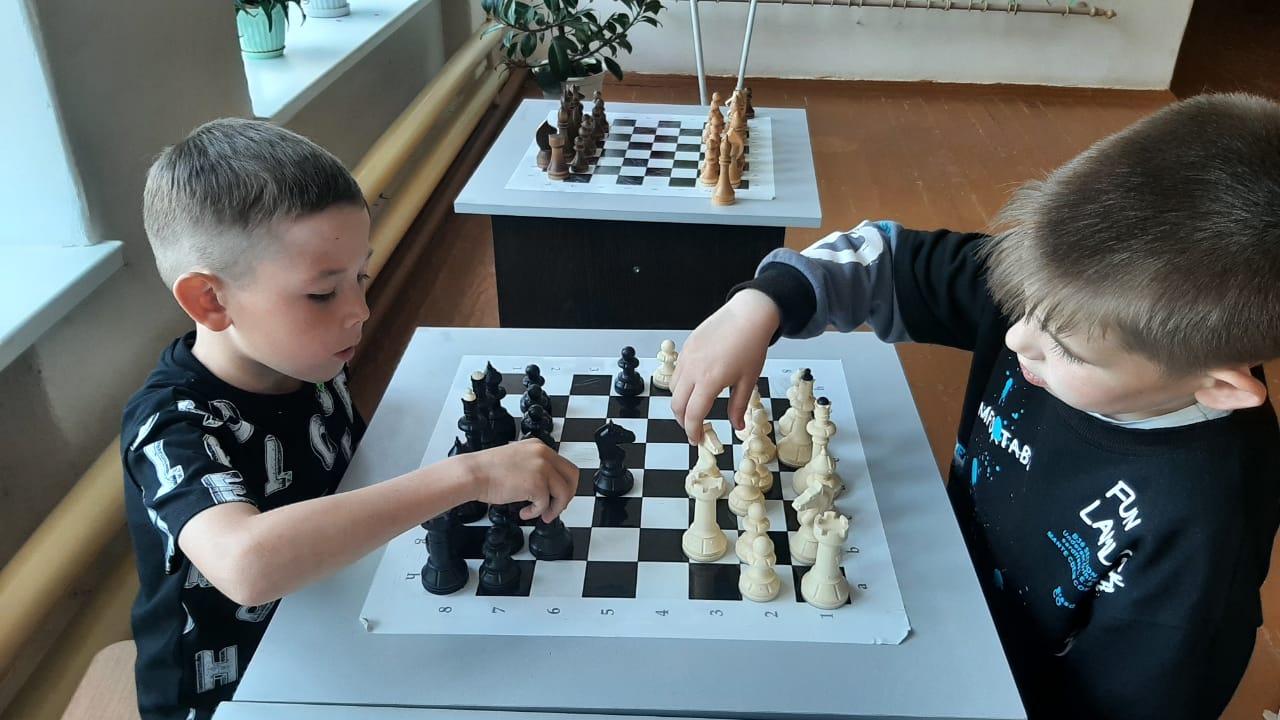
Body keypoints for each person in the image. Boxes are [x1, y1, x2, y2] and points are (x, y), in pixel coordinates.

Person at [668, 93, 1280, 719]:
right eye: (1021, 304)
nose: (1017, 339)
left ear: (1221, 388)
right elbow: (888, 260)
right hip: (939, 585)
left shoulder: (1206, 530)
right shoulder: (1062, 297)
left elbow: (1135, 704)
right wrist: (763, 303)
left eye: (1064, 350)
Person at [122, 118, 579, 720]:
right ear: (211, 300)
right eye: (321, 293)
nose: (359, 310)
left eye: (359, 276)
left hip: (343, 622)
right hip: (237, 695)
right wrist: (469, 475)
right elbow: (246, 564)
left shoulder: (308, 362)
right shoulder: (171, 424)